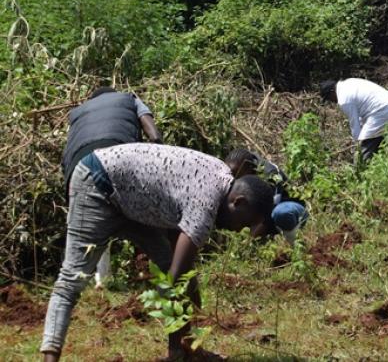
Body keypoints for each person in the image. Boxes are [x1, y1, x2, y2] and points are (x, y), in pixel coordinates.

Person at [41, 143, 275, 361]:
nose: (239, 230)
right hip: (97, 183)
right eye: (244, 223)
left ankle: (182, 352)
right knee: (72, 279)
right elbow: (175, 278)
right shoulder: (206, 205)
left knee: (177, 272)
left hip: (131, 201)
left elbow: (179, 264)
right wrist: (163, 294)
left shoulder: (219, 174)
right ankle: (49, 356)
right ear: (239, 202)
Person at [60, 86, 163, 288]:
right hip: (119, 156)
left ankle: (100, 280)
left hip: (79, 167)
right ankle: (151, 272)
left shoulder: (78, 112)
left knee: (96, 222)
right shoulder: (129, 99)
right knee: (145, 215)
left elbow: (67, 156)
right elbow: (154, 134)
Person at [224, 148, 308, 245]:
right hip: (265, 215)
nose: (234, 179)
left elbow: (268, 214)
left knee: (280, 212)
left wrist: (248, 243)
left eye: (237, 175)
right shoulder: (238, 167)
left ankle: (291, 243)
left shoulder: (269, 176)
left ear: (250, 168)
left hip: (291, 211)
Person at [319, 78, 388, 163]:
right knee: (383, 141)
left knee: (365, 148)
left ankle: (363, 171)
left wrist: (356, 146)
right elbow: (362, 114)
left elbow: (355, 126)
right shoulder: (348, 83)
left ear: (332, 92)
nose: (332, 101)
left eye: (329, 98)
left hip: (381, 110)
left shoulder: (344, 99)